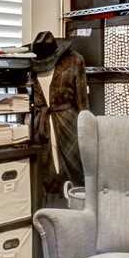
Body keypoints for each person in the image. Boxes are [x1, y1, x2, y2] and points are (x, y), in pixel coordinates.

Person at [28, 31, 88, 197]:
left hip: (69, 125)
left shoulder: (75, 61)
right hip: (40, 127)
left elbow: (83, 104)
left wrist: (87, 134)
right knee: (42, 177)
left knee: (76, 174)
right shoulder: (28, 66)